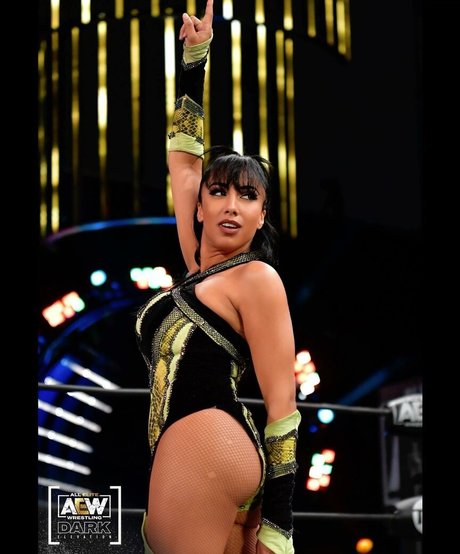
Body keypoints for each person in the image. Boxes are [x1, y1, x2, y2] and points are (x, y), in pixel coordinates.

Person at [135, 1, 301, 552]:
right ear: (201, 207)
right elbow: (184, 162)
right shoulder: (198, 271)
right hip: (207, 455)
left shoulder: (256, 278)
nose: (232, 204)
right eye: (220, 191)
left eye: (248, 196)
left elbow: (282, 403)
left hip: (207, 447)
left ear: (262, 215)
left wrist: (280, 525)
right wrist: (195, 60)